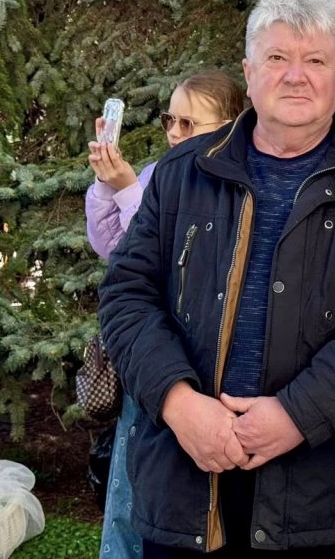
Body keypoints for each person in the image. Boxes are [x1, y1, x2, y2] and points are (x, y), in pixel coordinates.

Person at [97, 0, 335, 557]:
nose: (296, 76)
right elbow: (127, 295)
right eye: (278, 57)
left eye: (315, 61)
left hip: (316, 487)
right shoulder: (183, 171)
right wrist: (179, 404)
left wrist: (296, 414)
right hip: (186, 476)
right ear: (249, 73)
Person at [86, 70, 246, 559]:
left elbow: (184, 258)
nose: (175, 132)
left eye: (189, 123)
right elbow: (113, 248)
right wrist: (107, 185)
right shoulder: (159, 172)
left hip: (197, 368)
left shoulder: (233, 183)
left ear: (230, 125)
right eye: (169, 120)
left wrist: (128, 189)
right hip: (152, 361)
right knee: (134, 481)